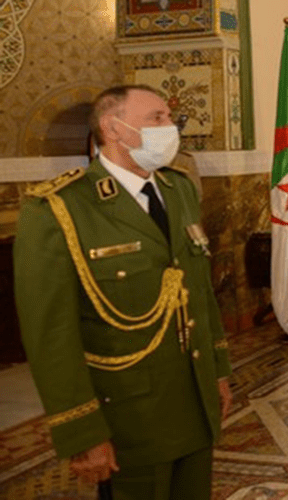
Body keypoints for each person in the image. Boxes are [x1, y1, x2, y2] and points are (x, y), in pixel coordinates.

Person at [14, 84, 232, 500]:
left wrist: (218, 372)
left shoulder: (179, 189)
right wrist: (82, 431)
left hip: (193, 399)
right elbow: (51, 337)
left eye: (170, 118)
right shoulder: (59, 208)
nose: (170, 128)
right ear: (113, 128)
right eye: (156, 118)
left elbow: (200, 292)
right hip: (129, 414)